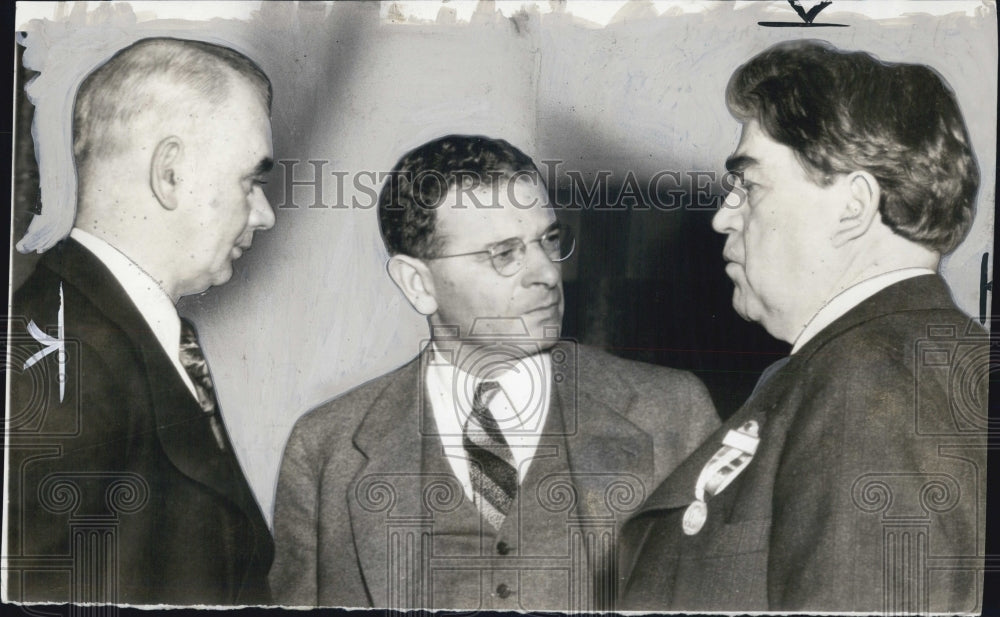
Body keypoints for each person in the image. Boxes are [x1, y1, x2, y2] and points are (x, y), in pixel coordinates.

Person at [270, 134, 718, 610]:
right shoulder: (325, 449)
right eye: (504, 254)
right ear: (417, 283)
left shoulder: (671, 413)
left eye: (549, 241)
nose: (547, 273)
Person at [620, 39, 987, 613]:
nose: (722, 216)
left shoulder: (868, 383)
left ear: (852, 206)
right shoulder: (901, 361)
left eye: (750, 184)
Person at [6, 37, 276, 605]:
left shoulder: (116, 332)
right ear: (170, 174)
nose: (264, 214)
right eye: (250, 182)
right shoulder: (58, 364)